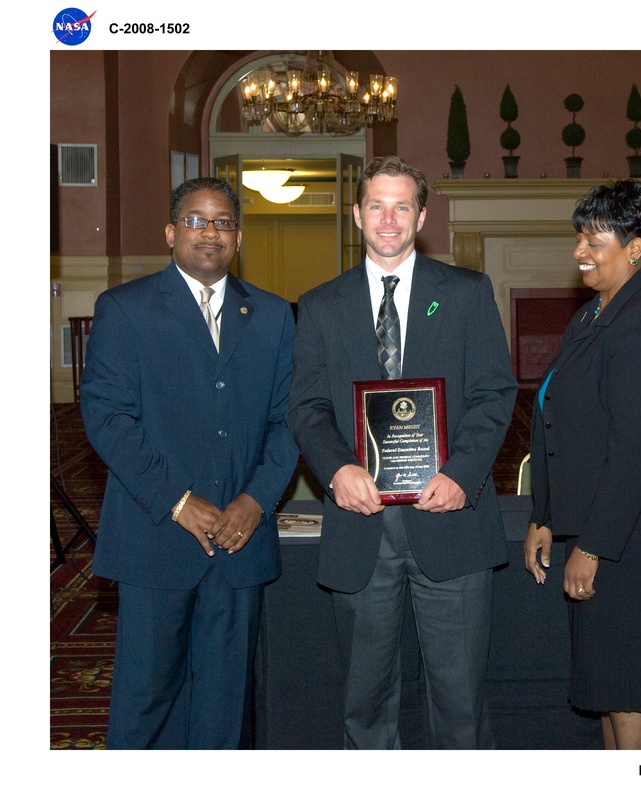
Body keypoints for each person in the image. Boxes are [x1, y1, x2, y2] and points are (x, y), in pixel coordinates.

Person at [286, 156, 517, 749]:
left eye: (402, 206)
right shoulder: (318, 306)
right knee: (365, 706)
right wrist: (336, 466)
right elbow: (306, 407)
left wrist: (464, 472)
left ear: (421, 216)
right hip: (360, 528)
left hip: (451, 519)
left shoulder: (465, 294)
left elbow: (496, 392)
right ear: (357, 213)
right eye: (377, 206)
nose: (389, 219)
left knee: (460, 703)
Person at [80, 176, 299, 748]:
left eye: (223, 222)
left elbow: (289, 420)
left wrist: (255, 501)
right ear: (172, 232)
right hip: (156, 539)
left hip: (239, 541)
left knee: (227, 706)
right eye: (198, 220)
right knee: (147, 702)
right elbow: (107, 418)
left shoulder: (274, 317)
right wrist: (179, 501)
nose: (211, 232)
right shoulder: (124, 309)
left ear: (238, 236)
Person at [523, 180, 641, 750]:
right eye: (579, 237)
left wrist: (593, 545)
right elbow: (557, 416)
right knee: (609, 688)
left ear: (635, 248)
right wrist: (546, 513)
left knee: (631, 689)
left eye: (594, 239)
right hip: (613, 525)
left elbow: (635, 449)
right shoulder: (595, 315)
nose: (580, 251)